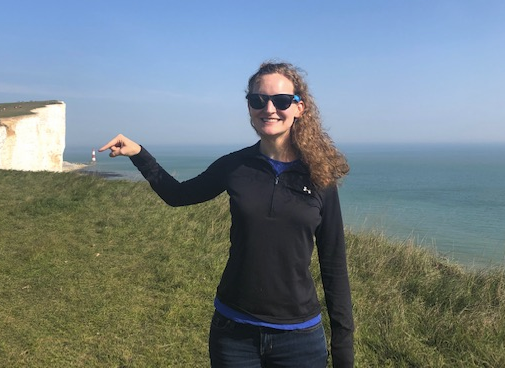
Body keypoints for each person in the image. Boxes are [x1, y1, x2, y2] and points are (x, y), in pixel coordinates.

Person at [100, 61, 354, 367]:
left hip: (298, 336)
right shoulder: (234, 166)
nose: (269, 108)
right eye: (258, 100)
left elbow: (334, 265)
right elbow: (178, 195)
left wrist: (343, 349)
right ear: (249, 107)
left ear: (299, 108)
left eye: (281, 100)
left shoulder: (318, 176)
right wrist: (140, 154)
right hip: (234, 332)